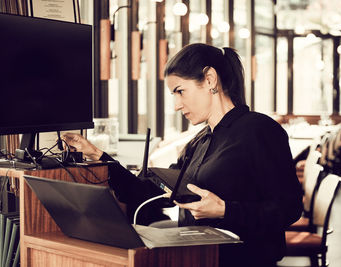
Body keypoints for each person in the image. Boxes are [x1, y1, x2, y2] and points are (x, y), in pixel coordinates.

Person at [63, 43, 303, 267]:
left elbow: (289, 208)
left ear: (210, 79)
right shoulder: (200, 141)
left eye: (180, 91)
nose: (176, 105)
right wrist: (98, 155)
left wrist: (225, 210)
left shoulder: (260, 130)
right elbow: (153, 194)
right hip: (196, 257)